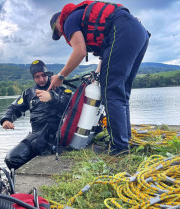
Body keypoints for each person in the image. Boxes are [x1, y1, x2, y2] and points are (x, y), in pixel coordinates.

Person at [49, 1, 150, 155]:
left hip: (123, 29)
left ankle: (119, 148)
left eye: (59, 32)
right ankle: (124, 139)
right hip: (139, 31)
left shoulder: (68, 21)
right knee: (121, 91)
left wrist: (61, 76)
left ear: (58, 21)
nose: (63, 35)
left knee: (111, 92)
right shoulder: (83, 17)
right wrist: (97, 73)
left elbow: (80, 52)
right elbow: (106, 52)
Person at [0, 60, 72, 170]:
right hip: (36, 136)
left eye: (43, 75)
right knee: (11, 159)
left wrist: (52, 98)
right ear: (33, 78)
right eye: (37, 76)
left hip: (56, 136)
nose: (41, 79)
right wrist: (6, 119)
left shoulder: (62, 90)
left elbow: (70, 105)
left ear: (48, 74)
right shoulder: (29, 93)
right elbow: (15, 107)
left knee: (15, 158)